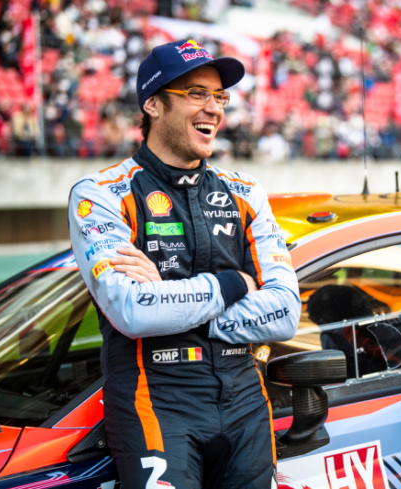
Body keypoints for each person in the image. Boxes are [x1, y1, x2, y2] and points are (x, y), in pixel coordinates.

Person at [67, 39, 301, 489]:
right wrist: (235, 283)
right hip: (156, 400)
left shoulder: (246, 191)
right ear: (152, 104)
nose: (213, 108)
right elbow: (133, 311)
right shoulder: (101, 194)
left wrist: (171, 301)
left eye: (219, 96)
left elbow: (286, 313)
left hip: (246, 401)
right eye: (196, 93)